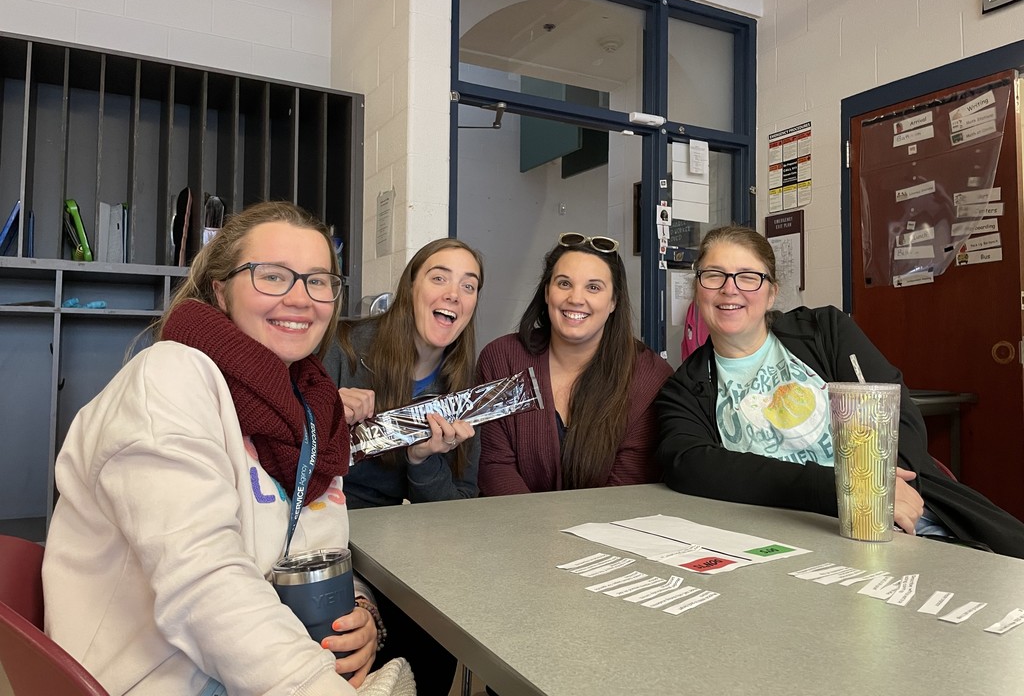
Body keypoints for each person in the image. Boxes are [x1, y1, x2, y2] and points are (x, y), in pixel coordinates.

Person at [42, 202, 414, 695]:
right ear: (220, 290)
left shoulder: (312, 410)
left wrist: (361, 610)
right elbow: (204, 584)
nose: (302, 298)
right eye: (272, 276)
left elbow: (313, 548)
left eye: (319, 280)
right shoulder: (168, 378)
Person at [656, 224, 1024, 558]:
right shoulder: (684, 389)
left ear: (771, 294)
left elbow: (895, 413)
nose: (730, 288)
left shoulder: (824, 330)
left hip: (909, 515)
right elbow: (692, 466)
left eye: (749, 277)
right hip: (791, 540)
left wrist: (880, 492)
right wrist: (843, 490)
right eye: (714, 275)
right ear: (697, 290)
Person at [322, 236, 483, 696]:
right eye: (440, 277)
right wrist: (325, 412)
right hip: (334, 539)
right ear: (411, 287)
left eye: (469, 286)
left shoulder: (466, 390)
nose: (454, 293)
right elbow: (292, 460)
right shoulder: (346, 348)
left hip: (407, 561)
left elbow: (459, 509)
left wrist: (422, 462)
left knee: (435, 636)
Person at [477, 232, 673, 494]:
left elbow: (627, 488)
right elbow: (495, 465)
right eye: (564, 284)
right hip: (514, 528)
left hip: (608, 531)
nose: (576, 299)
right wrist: (533, 532)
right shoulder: (502, 359)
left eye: (593, 287)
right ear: (547, 293)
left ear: (614, 301)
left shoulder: (649, 377)